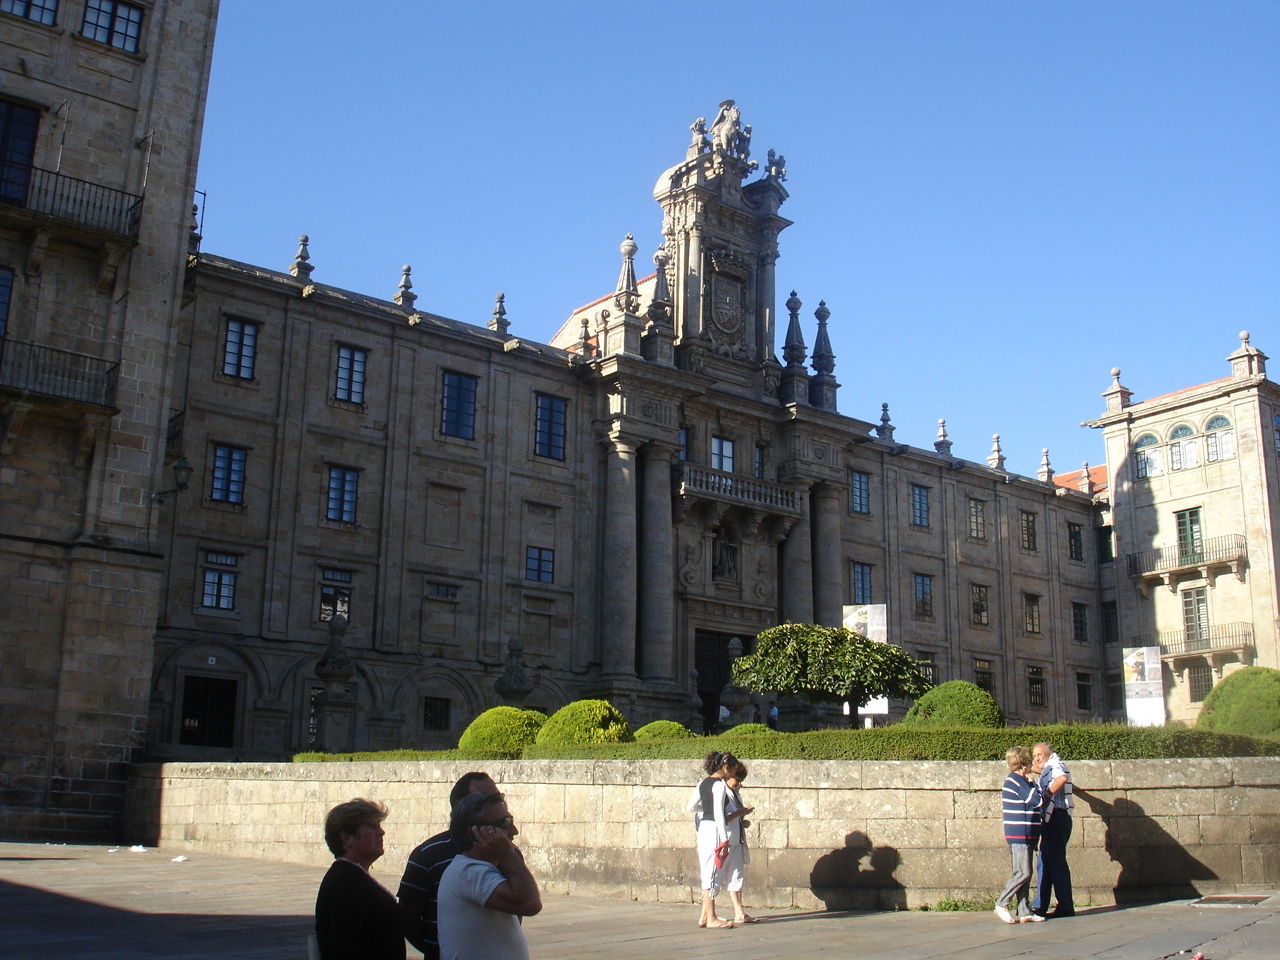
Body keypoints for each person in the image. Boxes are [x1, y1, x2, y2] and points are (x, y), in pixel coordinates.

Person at [397, 772, 499, 959]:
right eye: (485, 799)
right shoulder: (427, 855)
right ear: (461, 806)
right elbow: (407, 917)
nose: (495, 804)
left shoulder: (505, 852)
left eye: (497, 798)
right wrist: (439, 949)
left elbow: (521, 907)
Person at [437, 791, 541, 960]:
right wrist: (508, 852)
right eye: (505, 823)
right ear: (477, 832)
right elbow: (530, 903)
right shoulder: (469, 871)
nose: (514, 831)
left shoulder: (475, 869)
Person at [315, 798, 406, 960]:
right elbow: (343, 947)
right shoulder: (347, 881)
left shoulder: (352, 876)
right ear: (347, 838)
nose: (381, 832)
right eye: (372, 826)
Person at [686, 750, 738, 929]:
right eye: (732, 771)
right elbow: (719, 813)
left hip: (704, 829)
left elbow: (691, 806)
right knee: (713, 873)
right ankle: (712, 918)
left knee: (707, 871)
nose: (733, 775)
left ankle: (705, 916)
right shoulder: (719, 785)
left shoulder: (702, 783)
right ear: (725, 768)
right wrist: (724, 839)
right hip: (715, 829)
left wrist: (704, 808)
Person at [994, 747, 1044, 924]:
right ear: (1024, 763)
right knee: (1023, 872)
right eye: (1029, 761)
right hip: (1019, 835)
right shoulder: (1016, 781)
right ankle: (1001, 903)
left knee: (1024, 873)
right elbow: (1037, 800)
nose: (1032, 763)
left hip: (1027, 834)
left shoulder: (1018, 780)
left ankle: (1024, 910)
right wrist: (1033, 783)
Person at [1032, 741, 1075, 918]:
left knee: (1054, 862)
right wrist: (1035, 769)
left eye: (1038, 755)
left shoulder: (1056, 764)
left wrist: (1047, 793)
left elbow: (1061, 778)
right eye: (1034, 756)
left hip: (1056, 818)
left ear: (1049, 753)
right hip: (1055, 819)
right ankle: (1044, 904)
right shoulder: (1051, 765)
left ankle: (1062, 905)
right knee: (1048, 860)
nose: (1036, 759)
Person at [724, 761, 758, 924]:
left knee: (737, 875)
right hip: (724, 840)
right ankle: (708, 914)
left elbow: (733, 817)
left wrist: (742, 820)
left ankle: (739, 911)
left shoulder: (735, 793)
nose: (738, 783)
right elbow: (719, 818)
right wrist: (739, 813)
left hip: (737, 839)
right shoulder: (721, 792)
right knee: (715, 878)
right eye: (736, 779)